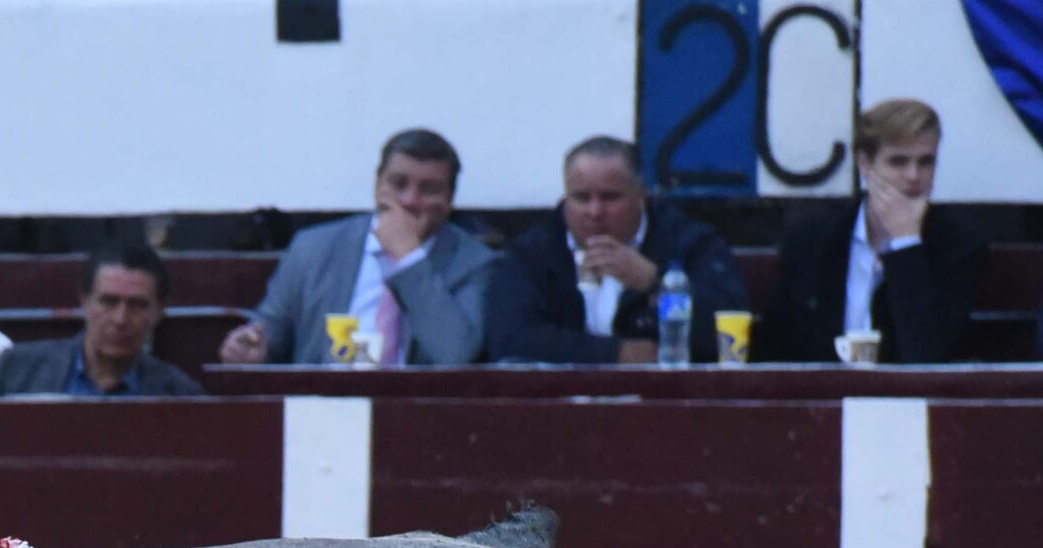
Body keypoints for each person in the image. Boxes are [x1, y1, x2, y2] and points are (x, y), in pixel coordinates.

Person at [216, 129, 494, 366]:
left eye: (429, 189)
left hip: (420, 415)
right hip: (321, 407)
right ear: (377, 185)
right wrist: (248, 349)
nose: (410, 201)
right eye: (398, 184)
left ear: (450, 199)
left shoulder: (474, 263)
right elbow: (269, 336)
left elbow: (456, 357)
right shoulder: (313, 248)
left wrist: (409, 260)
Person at [759, 99, 987, 364]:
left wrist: (906, 244)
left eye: (926, 162)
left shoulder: (958, 246)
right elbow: (776, 345)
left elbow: (926, 354)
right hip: (821, 396)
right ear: (865, 164)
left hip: (909, 401)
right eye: (898, 162)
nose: (913, 176)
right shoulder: (813, 237)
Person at [483, 136, 746, 364]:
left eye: (610, 197)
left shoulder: (688, 242)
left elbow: (728, 335)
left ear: (640, 196)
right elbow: (509, 340)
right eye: (581, 197)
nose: (594, 212)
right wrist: (617, 353)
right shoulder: (534, 251)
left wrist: (656, 286)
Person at [0, 241, 203, 397]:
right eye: (108, 302)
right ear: (84, 301)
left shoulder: (181, 393)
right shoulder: (17, 369)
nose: (120, 319)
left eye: (137, 305)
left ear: (159, 311)